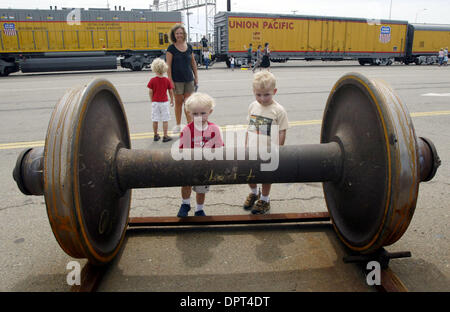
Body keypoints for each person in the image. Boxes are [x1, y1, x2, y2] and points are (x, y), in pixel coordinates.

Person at [243, 71, 289, 214]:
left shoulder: (278, 110)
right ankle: (254, 192)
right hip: (252, 149)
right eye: (258, 95)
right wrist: (245, 144)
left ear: (274, 91)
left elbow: (282, 131)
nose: (262, 99)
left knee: (266, 177)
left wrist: (278, 149)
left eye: (266, 94)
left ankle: (264, 199)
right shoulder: (253, 106)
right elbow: (249, 128)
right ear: (253, 92)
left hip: (269, 151)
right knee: (249, 174)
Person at [177, 92, 224, 217]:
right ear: (189, 113)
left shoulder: (214, 129)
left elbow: (219, 147)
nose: (199, 116)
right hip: (190, 164)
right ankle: (185, 204)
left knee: (201, 190)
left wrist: (215, 160)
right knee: (186, 184)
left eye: (203, 113)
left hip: (205, 165)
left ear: (210, 112)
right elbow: (183, 149)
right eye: (195, 114)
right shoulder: (187, 129)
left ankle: (199, 209)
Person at [166, 24, 199, 133]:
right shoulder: (171, 48)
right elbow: (168, 66)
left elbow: (193, 63)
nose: (179, 35)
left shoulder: (189, 47)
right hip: (177, 81)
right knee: (179, 103)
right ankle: (179, 126)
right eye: (177, 33)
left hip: (189, 79)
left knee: (188, 104)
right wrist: (170, 81)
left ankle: (190, 126)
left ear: (184, 34)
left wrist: (196, 77)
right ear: (173, 35)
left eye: (181, 33)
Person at [147, 58, 174, 142]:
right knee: (165, 119)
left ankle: (155, 135)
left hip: (155, 102)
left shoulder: (152, 80)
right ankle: (165, 136)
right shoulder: (166, 80)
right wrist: (172, 100)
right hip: (164, 102)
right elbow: (170, 91)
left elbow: (150, 91)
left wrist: (152, 100)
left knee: (155, 119)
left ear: (154, 68)